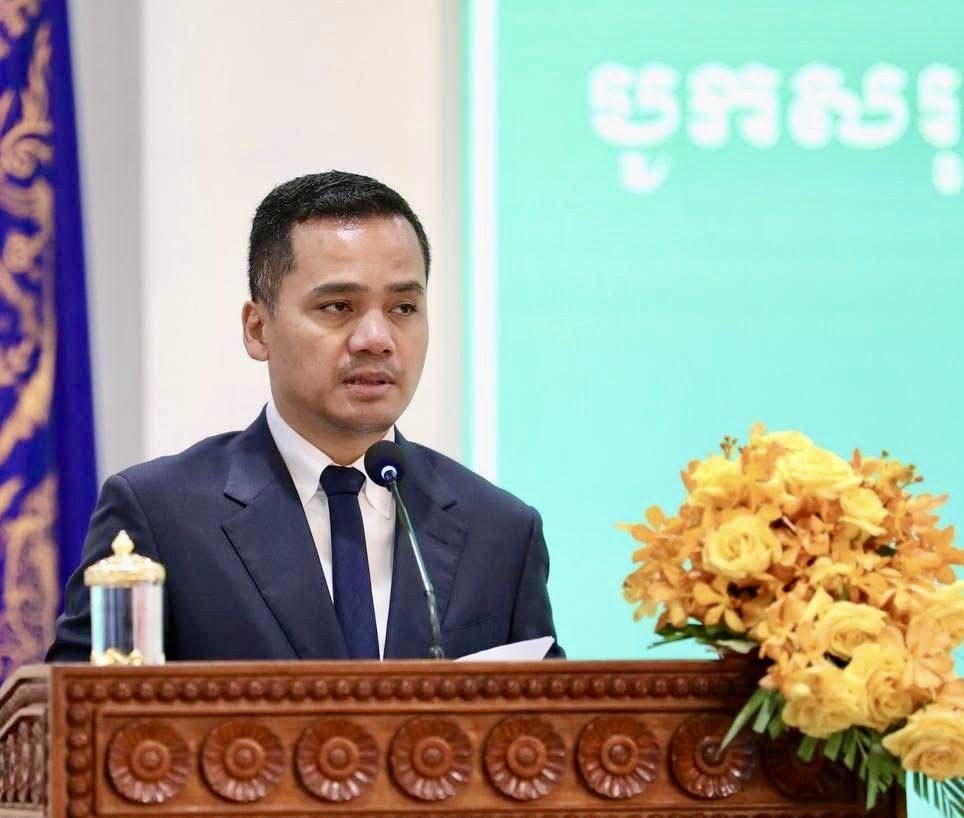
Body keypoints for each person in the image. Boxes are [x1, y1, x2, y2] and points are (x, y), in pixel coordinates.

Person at [47, 171, 562, 662]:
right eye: (338, 306)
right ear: (258, 328)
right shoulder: (161, 516)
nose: (377, 339)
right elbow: (73, 713)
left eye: (404, 307)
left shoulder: (500, 533)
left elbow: (549, 717)